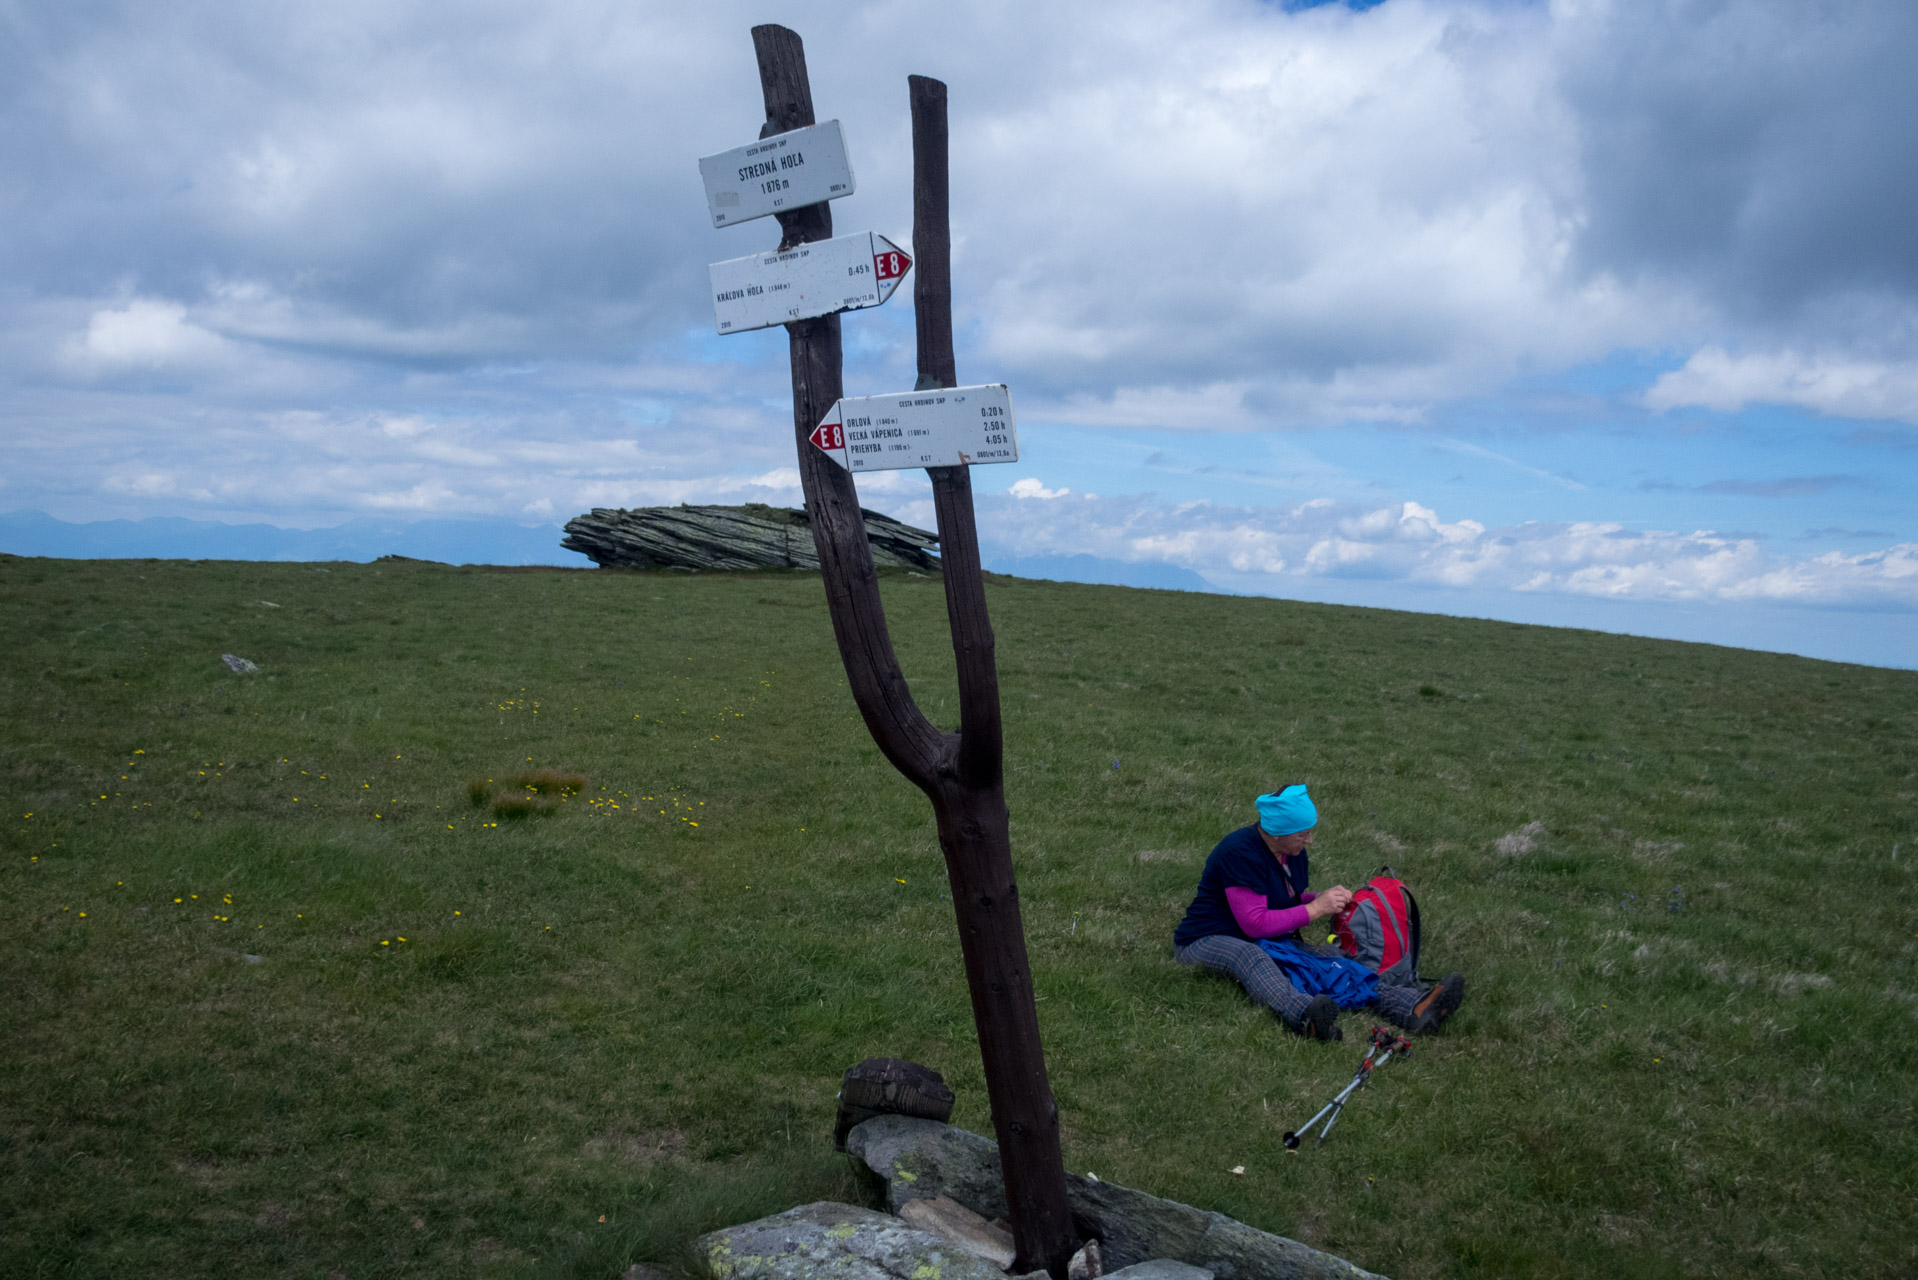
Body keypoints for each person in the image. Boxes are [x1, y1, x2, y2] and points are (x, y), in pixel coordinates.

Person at [1173, 784, 1465, 1040]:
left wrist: (1323, 898)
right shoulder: (1239, 852)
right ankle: (1305, 1015)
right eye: (1302, 834)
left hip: (1271, 938)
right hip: (1206, 938)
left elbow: (1285, 898)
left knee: (1334, 961)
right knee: (1250, 957)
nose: (1309, 840)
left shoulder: (1292, 852)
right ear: (1277, 832)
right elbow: (1255, 925)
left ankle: (1412, 1007)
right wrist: (1315, 909)